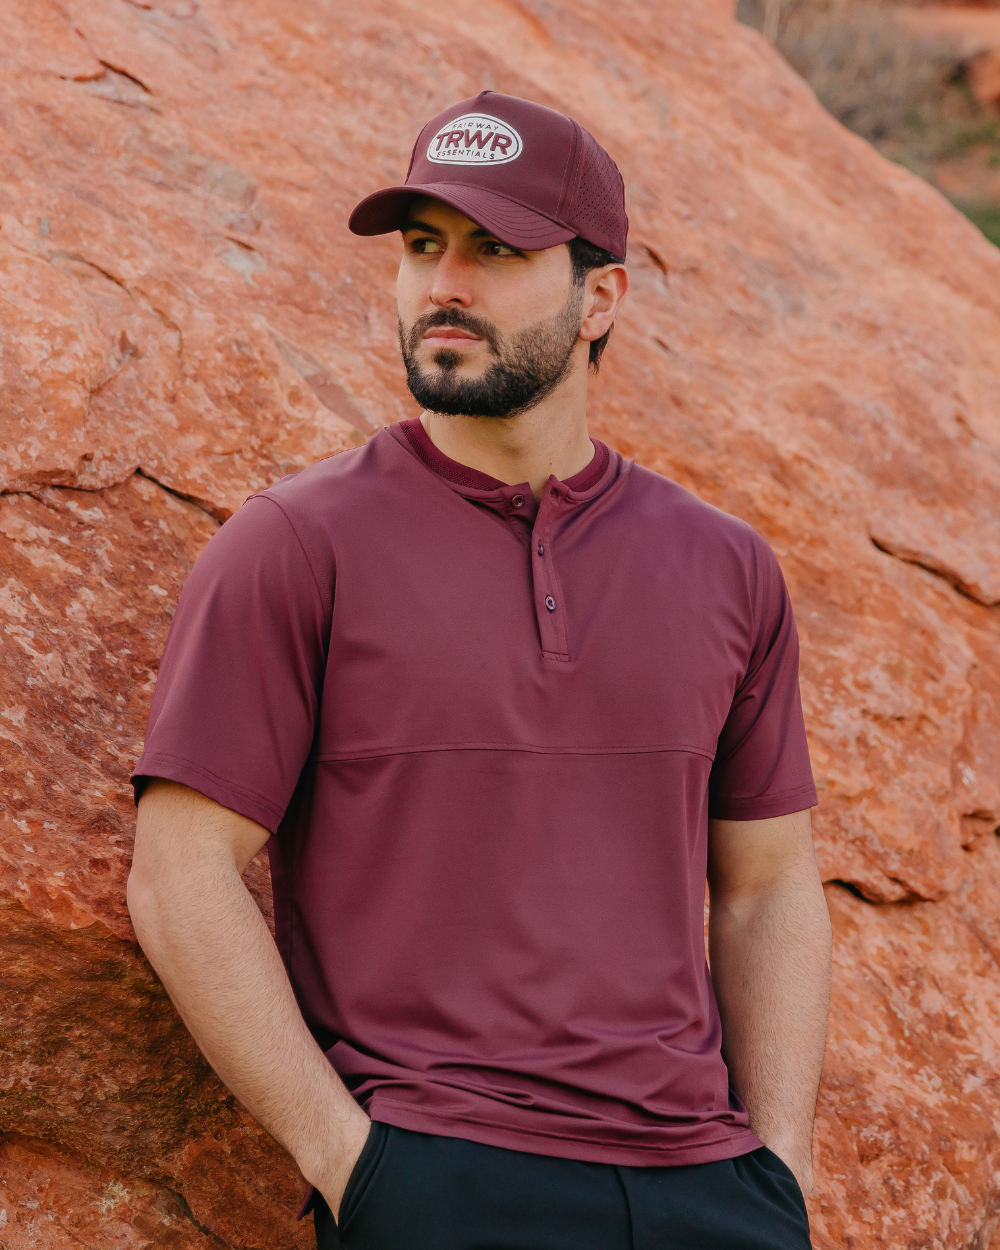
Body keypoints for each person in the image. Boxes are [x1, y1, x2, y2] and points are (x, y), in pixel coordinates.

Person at [127, 90, 832, 1250]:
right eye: (421, 247)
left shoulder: (724, 564)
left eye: (495, 250)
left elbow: (765, 885)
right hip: (443, 1177)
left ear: (600, 295)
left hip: (710, 1188)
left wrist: (780, 1168)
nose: (442, 284)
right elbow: (180, 870)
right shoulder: (297, 543)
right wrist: (349, 1161)